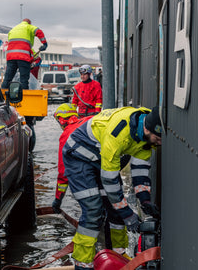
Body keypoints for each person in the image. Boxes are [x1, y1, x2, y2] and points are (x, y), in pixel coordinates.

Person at [62, 106, 162, 270]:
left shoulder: (146, 129)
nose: (159, 143)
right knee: (93, 211)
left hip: (100, 159)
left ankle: (118, 256)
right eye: (157, 139)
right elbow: (109, 182)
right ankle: (82, 263)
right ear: (147, 129)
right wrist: (128, 214)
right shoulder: (118, 133)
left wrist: (145, 201)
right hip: (79, 157)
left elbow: (140, 171)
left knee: (115, 211)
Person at [52, 103, 131, 259]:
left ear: (61, 120)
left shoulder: (67, 135)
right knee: (114, 209)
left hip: (95, 172)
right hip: (110, 166)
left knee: (91, 215)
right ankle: (118, 255)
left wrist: (57, 200)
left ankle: (86, 259)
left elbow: (63, 174)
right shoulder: (91, 120)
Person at [1, 18, 47, 90]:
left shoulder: (13, 30)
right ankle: (24, 98)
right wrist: (44, 43)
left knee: (7, 79)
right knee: (24, 80)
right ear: (29, 23)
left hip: (11, 57)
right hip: (23, 57)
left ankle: (2, 96)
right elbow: (39, 32)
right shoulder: (28, 27)